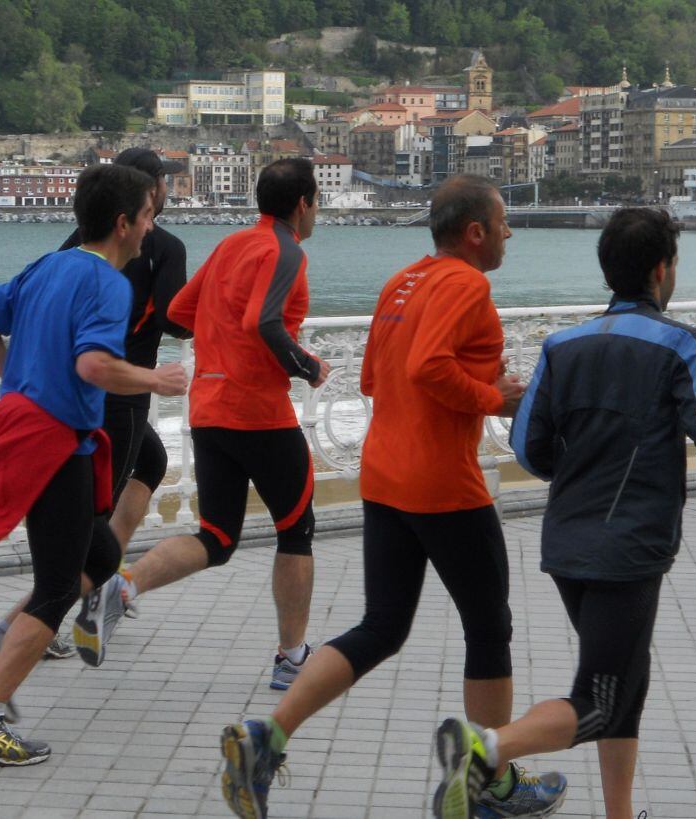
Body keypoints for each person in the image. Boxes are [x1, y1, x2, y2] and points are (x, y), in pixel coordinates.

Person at [219, 175, 566, 819]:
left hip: (383, 476)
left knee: (382, 626)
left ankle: (267, 736)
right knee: (489, 628)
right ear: (475, 233)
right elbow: (426, 369)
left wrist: (477, 374)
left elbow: (378, 379)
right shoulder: (468, 284)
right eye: (503, 221)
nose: (511, 232)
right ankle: (491, 783)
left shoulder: (401, 281)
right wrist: (498, 396)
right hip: (444, 485)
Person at [429, 208, 696, 819]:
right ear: (661, 270)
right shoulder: (682, 346)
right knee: (599, 700)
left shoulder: (561, 345)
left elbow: (527, 448)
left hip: (566, 543)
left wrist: (581, 475)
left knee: (625, 680)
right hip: (630, 549)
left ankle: (620, 813)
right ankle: (484, 749)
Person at [0, 163, 188, 765]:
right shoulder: (112, 284)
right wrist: (154, 378)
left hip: (53, 438)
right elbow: (93, 367)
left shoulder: (46, 265)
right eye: (149, 214)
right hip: (54, 444)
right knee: (57, 588)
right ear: (123, 223)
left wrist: (21, 381)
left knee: (102, 555)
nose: (152, 225)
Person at [73, 158, 329, 693]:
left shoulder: (232, 244)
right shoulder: (286, 250)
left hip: (208, 407)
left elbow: (180, 315)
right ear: (304, 203)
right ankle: (291, 659)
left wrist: (220, 330)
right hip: (259, 413)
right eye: (316, 202)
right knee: (296, 530)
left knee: (216, 535)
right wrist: (308, 366)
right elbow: (264, 321)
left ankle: (121, 588)